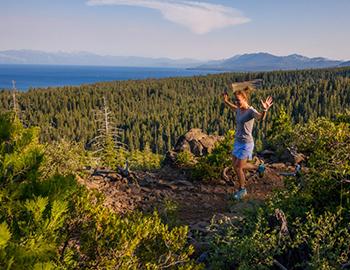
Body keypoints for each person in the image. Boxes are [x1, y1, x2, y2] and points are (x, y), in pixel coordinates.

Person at [223, 82, 273, 200]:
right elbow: (234, 108)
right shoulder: (239, 109)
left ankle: (242, 190)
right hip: (237, 142)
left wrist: (265, 110)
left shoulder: (251, 111)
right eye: (235, 100)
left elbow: (260, 118)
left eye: (238, 100)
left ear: (245, 99)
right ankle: (259, 168)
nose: (237, 103)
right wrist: (226, 102)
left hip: (246, 144)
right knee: (235, 166)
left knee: (239, 167)